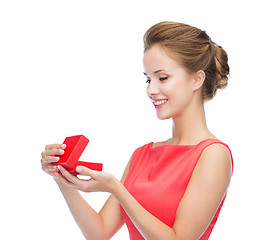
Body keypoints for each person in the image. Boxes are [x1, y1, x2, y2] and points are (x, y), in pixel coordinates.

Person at [41, 21, 233, 240]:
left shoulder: (213, 155)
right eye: (148, 79)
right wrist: (61, 178)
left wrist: (117, 189)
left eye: (162, 78)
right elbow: (99, 232)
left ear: (197, 79)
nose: (151, 90)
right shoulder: (142, 155)